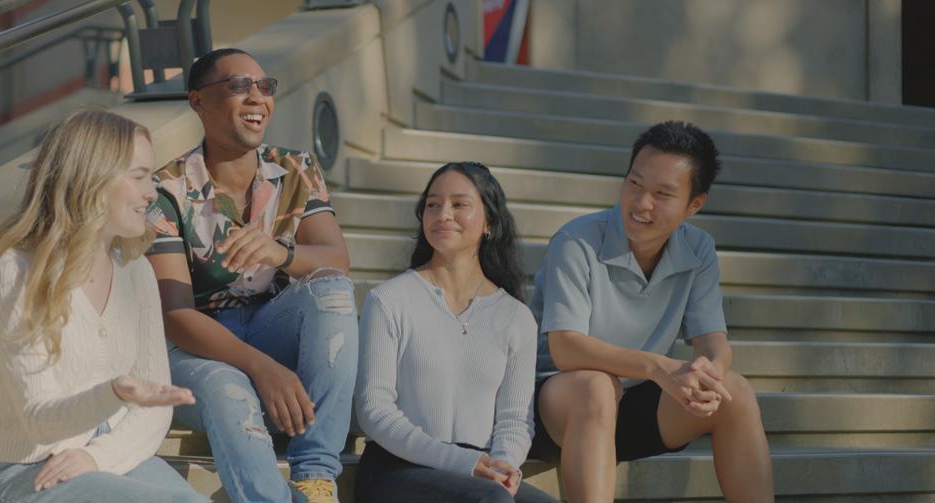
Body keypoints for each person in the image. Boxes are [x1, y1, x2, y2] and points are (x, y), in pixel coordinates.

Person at [0, 110, 205, 502]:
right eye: (139, 176)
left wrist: (97, 456)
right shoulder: (19, 271)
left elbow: (155, 410)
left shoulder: (136, 271)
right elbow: (41, 421)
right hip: (25, 473)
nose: (151, 193)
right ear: (93, 180)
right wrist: (114, 394)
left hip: (108, 455)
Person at [145, 48, 358, 503]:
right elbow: (176, 314)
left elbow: (336, 259)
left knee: (334, 292)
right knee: (229, 387)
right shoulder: (165, 190)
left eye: (265, 87)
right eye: (239, 86)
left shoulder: (296, 168)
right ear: (198, 101)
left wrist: (281, 253)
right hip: (197, 347)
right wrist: (261, 368)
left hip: (271, 324)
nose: (256, 97)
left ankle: (316, 476)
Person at [527, 121, 774, 502]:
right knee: (597, 385)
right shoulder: (576, 241)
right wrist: (658, 367)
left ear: (694, 204)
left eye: (662, 194)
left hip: (631, 404)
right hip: (558, 407)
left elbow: (713, 343)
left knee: (734, 392)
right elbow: (566, 349)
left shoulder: (699, 250)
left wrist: (709, 372)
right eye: (635, 184)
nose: (641, 203)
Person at [354, 162, 559, 503]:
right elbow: (374, 412)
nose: (443, 214)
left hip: (481, 474)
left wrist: (503, 467)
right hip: (397, 470)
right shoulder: (388, 300)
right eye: (433, 204)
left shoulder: (516, 317)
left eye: (459, 204)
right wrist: (465, 464)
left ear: (489, 222)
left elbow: (514, 420)